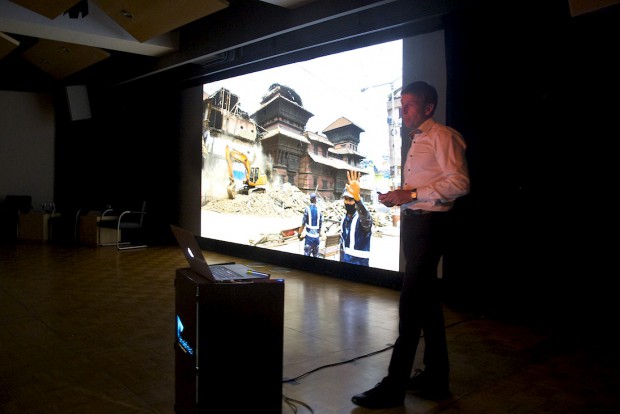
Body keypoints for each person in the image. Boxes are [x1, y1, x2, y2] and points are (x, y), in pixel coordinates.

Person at [351, 81, 470, 409]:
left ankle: (394, 386)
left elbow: (459, 183)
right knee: (428, 306)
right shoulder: (418, 139)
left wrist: (412, 195)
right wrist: (399, 198)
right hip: (417, 225)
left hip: (431, 228)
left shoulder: (442, 136)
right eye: (401, 106)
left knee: (411, 307)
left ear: (428, 108)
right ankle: (435, 379)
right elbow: (425, 187)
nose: (402, 112)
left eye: (409, 106)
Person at [340, 170, 372, 266]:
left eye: (351, 199)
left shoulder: (361, 219)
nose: (348, 202)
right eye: (346, 199)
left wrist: (357, 199)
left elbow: (366, 217)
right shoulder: (344, 219)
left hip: (359, 265)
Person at [298, 192, 323, 257]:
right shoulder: (319, 210)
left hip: (309, 239)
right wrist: (319, 233)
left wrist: (299, 234)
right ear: (315, 199)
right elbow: (320, 225)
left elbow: (303, 224)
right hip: (316, 239)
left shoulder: (307, 209)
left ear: (310, 199)